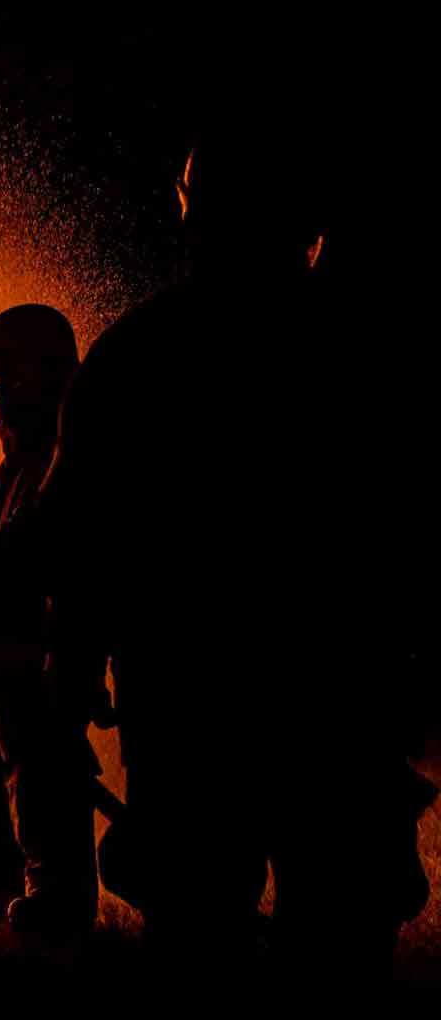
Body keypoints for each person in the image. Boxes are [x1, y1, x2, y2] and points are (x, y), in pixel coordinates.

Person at [42, 128, 435, 981]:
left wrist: (65, 700)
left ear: (194, 218)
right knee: (339, 945)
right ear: (304, 226)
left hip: (190, 720)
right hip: (337, 713)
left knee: (198, 948)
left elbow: (78, 551)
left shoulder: (135, 358)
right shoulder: (366, 357)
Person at [0, 304, 100, 939]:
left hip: (39, 653)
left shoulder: (68, 459)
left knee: (41, 766)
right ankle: (3, 893)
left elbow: (55, 559)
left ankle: (55, 899)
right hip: (1, 652)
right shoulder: (19, 462)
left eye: (3, 379)